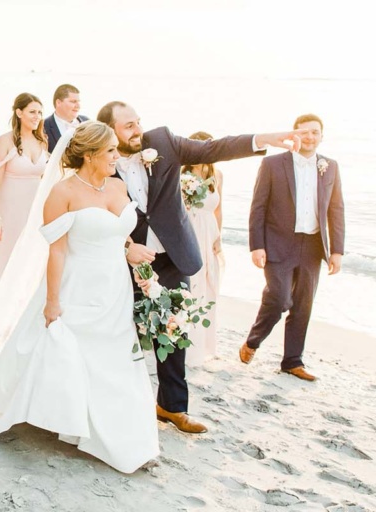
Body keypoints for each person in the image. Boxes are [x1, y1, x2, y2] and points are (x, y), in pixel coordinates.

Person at [0, 122, 158, 473]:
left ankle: (118, 430)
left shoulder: (118, 185)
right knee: (75, 351)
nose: (117, 157)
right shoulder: (63, 193)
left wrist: (132, 252)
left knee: (115, 355)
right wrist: (53, 301)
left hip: (115, 287)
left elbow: (117, 232)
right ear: (90, 155)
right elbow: (57, 251)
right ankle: (76, 421)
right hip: (77, 285)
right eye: (110, 151)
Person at [96, 100, 305, 434]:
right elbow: (91, 213)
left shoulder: (162, 141)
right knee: (122, 330)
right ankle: (111, 402)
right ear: (110, 130)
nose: (138, 130)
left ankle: (172, 407)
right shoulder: (99, 160)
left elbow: (214, 148)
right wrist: (125, 248)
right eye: (129, 126)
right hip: (126, 260)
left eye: (138, 122)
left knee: (173, 330)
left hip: (173, 256)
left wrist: (264, 139)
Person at [240, 114, 345, 381]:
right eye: (304, 132)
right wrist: (256, 245)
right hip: (278, 242)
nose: (310, 137)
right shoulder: (272, 164)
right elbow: (258, 207)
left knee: (303, 305)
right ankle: (253, 340)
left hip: (313, 245)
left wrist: (337, 250)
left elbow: (336, 209)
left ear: (322, 136)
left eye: (315, 132)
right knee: (279, 298)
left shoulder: (330, 166)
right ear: (294, 134)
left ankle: (292, 361)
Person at [0, 92, 48, 293]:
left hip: (33, 213)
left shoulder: (42, 141)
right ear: (19, 113)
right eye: (32, 112)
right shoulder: (4, 141)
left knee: (28, 261)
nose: (37, 116)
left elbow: (45, 181)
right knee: (4, 260)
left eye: (39, 112)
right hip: (8, 211)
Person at [181, 131, 224, 366]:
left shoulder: (217, 175)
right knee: (192, 284)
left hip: (209, 233)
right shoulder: (181, 175)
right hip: (190, 231)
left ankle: (205, 344)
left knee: (209, 285)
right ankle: (188, 344)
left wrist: (219, 237)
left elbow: (218, 209)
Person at [42, 84, 88, 153]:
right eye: (73, 101)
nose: (78, 106)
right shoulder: (44, 126)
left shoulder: (87, 122)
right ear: (58, 102)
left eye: (78, 101)